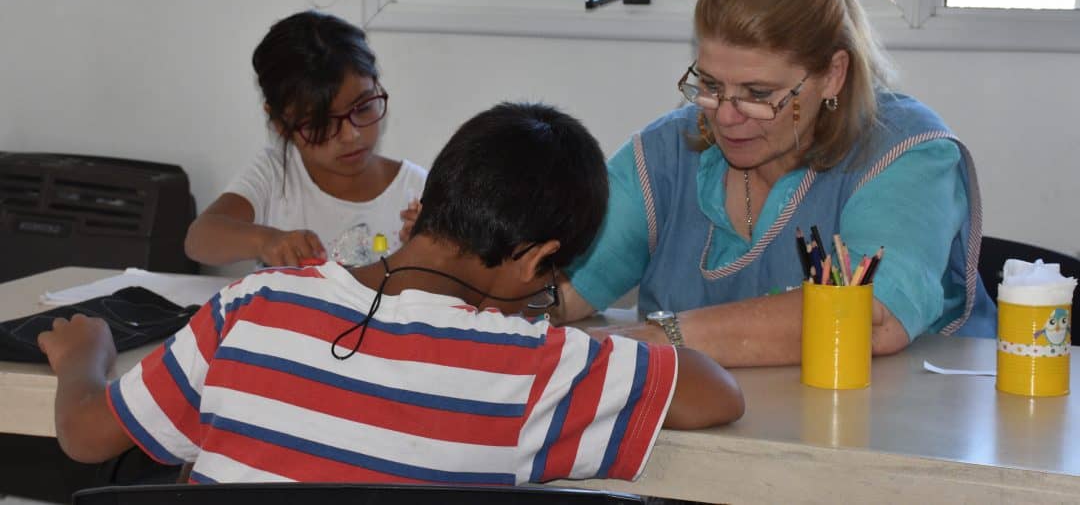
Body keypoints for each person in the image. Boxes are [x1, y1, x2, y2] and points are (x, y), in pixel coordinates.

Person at [38, 102, 744, 484]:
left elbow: (86, 433)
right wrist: (581, 332)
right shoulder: (533, 367)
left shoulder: (253, 306)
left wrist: (84, 354)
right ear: (535, 261)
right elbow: (716, 392)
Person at [555, 0, 996, 366]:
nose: (726, 117)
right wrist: (508, 302)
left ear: (833, 75)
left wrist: (659, 337)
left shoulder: (905, 153)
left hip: (906, 428)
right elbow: (555, 286)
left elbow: (870, 317)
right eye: (709, 85)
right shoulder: (666, 153)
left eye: (759, 94)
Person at [185, 10, 426, 270]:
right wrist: (265, 240)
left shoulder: (417, 191)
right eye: (321, 123)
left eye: (363, 107)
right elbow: (198, 240)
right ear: (280, 124)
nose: (351, 135)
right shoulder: (276, 174)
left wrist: (433, 250)